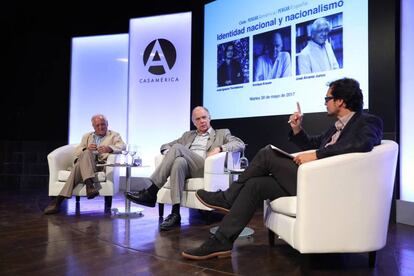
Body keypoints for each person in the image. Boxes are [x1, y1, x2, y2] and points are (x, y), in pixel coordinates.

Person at [182, 78, 383, 260]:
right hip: (310, 179)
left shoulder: (368, 121)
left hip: (325, 185)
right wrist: (297, 129)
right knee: (255, 185)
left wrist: (317, 155)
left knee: (267, 153)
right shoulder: (335, 127)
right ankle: (222, 241)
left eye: (328, 97)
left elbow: (363, 143)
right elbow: (311, 144)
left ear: (341, 101)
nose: (325, 102)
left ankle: (227, 197)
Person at [126, 106, 245, 231]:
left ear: (210, 118)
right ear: (194, 122)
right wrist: (168, 152)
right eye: (198, 119)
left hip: (206, 168)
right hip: (188, 168)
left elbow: (239, 144)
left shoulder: (222, 133)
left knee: (177, 148)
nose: (202, 121)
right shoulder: (187, 135)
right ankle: (175, 213)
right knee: (178, 161)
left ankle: (151, 191)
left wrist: (219, 148)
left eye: (204, 117)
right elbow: (165, 145)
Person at [43, 114, 126, 215]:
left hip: (98, 166)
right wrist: (86, 149)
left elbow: (122, 146)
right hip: (85, 164)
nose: (100, 127)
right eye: (97, 125)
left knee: (78, 167)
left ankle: (58, 201)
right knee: (86, 152)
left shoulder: (114, 135)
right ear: (93, 127)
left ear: (107, 124)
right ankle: (89, 186)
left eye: (103, 124)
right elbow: (77, 151)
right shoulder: (87, 136)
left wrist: (109, 148)